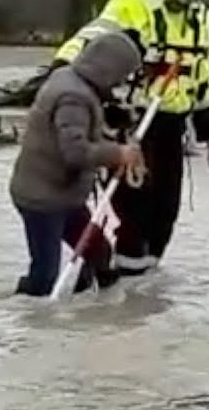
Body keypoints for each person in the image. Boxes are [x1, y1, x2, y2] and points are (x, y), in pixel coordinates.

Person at [50, 0, 209, 276]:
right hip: (131, 122)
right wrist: (62, 70)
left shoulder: (203, 20)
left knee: (165, 210)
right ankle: (126, 281)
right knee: (134, 207)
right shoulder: (134, 2)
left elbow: (203, 77)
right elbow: (95, 38)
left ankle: (147, 286)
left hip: (172, 124)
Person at [8, 30, 146, 297]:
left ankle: (86, 310)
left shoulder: (70, 78)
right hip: (42, 199)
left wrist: (114, 134)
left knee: (100, 253)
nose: (123, 82)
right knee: (45, 275)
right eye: (122, 75)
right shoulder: (74, 97)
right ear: (109, 68)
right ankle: (24, 318)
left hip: (65, 196)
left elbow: (86, 132)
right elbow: (75, 152)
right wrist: (118, 155)